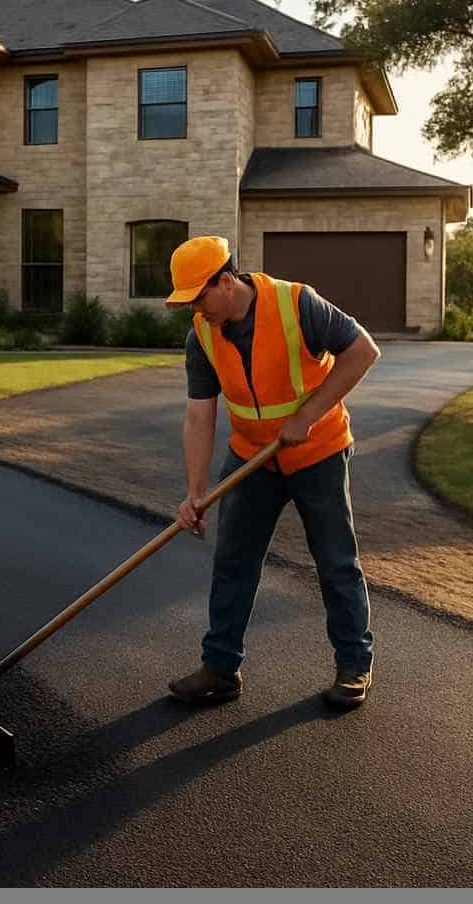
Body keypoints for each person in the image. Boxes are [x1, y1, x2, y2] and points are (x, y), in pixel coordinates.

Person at [164, 236, 381, 709]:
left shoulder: (297, 302)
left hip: (318, 452)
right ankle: (220, 669)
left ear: (225, 281)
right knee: (233, 562)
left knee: (335, 562)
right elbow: (199, 414)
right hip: (251, 458)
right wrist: (195, 493)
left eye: (199, 297)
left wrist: (309, 414)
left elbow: (363, 351)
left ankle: (353, 666)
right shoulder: (202, 333)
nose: (196, 310)